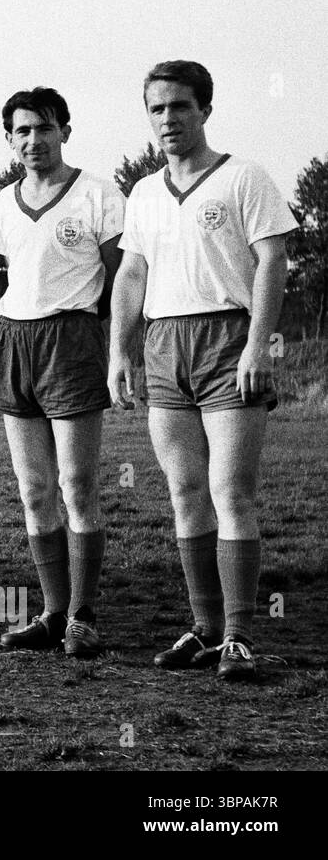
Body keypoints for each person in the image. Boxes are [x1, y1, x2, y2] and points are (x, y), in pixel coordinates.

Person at [109, 60, 295, 681]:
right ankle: (204, 628)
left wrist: (255, 347)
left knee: (230, 492)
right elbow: (131, 274)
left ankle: (240, 635)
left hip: (227, 337)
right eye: (157, 109)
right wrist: (120, 350)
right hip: (165, 343)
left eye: (180, 107)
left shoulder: (244, 177)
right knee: (185, 494)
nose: (168, 119)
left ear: (205, 110)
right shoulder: (142, 192)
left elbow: (273, 264)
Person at [0, 88, 124, 657]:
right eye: (21, 131)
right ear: (10, 139)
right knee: (34, 489)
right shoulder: (2, 202)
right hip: (16, 339)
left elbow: (122, 283)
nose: (33, 141)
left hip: (73, 340)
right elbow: (12, 275)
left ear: (64, 130)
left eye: (43, 128)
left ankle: (83, 614)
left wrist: (119, 350)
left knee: (78, 484)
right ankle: (50, 612)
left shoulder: (97, 193)